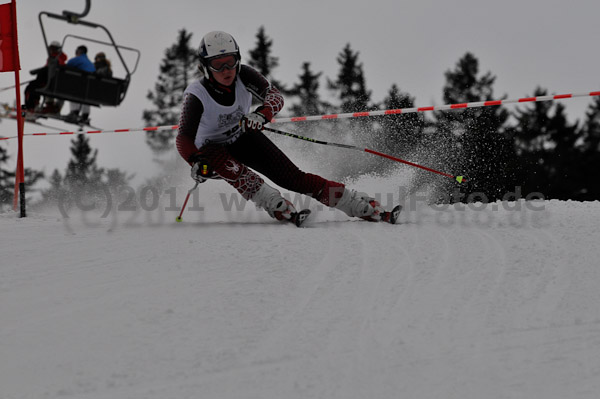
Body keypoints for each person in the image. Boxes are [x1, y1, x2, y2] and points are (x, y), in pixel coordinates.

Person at [176, 31, 397, 225]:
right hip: (210, 154)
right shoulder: (196, 94)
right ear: (205, 67)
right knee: (228, 164)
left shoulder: (244, 75)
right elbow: (183, 137)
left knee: (293, 178)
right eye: (217, 64)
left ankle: (356, 203)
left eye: (231, 61)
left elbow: (275, 96)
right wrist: (195, 160)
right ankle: (274, 203)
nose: (226, 70)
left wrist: (262, 115)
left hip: (242, 138)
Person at [23, 40, 68, 111]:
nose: (51, 50)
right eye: (51, 48)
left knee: (30, 88)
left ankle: (30, 107)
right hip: (52, 82)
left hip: (49, 82)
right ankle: (47, 105)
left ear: (57, 50)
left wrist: (38, 72)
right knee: (33, 85)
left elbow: (49, 69)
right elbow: (48, 69)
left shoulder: (54, 59)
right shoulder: (59, 58)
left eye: (53, 48)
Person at [66, 45, 95, 124]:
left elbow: (66, 66)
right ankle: (85, 114)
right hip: (89, 87)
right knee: (85, 94)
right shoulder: (90, 63)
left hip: (80, 84)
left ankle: (74, 112)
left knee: (72, 89)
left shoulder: (78, 59)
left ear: (79, 51)